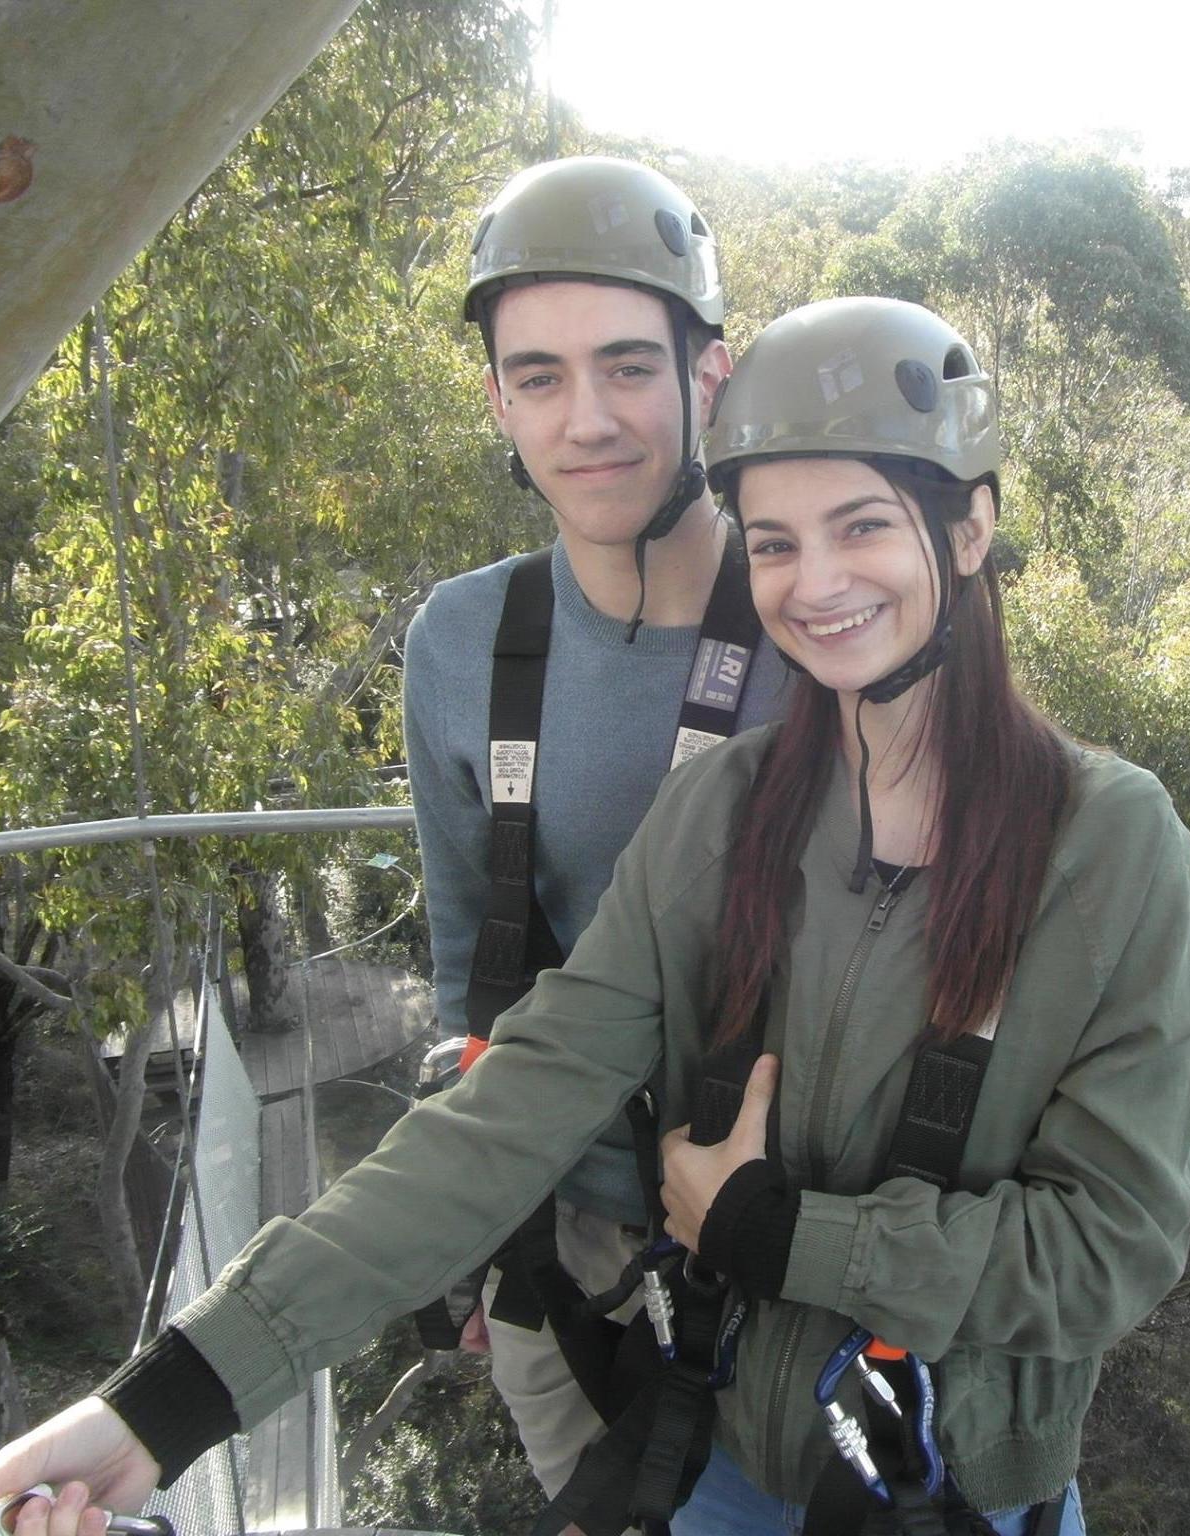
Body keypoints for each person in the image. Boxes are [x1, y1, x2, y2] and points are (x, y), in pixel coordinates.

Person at [0, 298, 1190, 1536]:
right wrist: (169, 1403)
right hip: (722, 1461)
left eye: (863, 527)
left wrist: (793, 1237)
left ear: (969, 527)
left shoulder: (1109, 849)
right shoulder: (722, 817)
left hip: (955, 1487)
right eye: (777, 542)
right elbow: (513, 1106)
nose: (818, 583)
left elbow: (1115, 1245)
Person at [401, 154, 784, 1504]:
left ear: (709, 376)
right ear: (499, 399)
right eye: (540, 377)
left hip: (764, 1241)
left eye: (629, 365)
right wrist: (471, 1222)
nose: (589, 421)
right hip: (549, 1237)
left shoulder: (819, 621)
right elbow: (470, 967)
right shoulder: (464, 642)